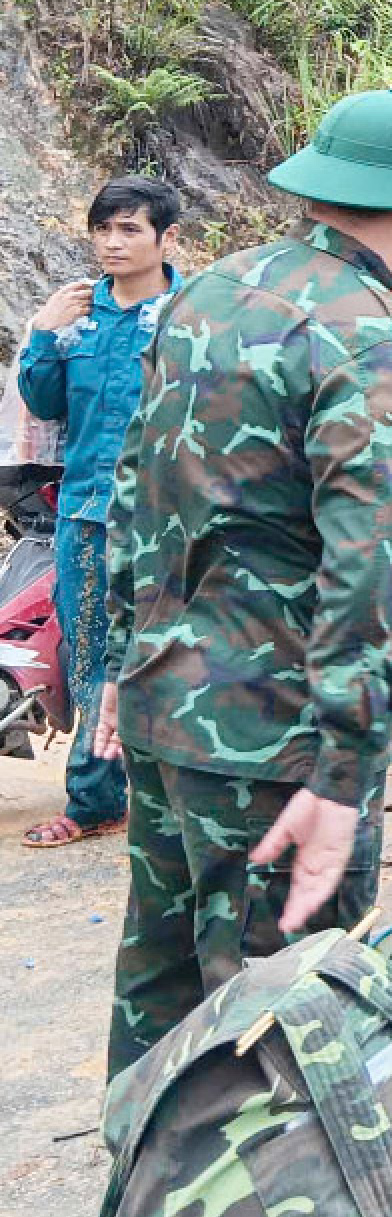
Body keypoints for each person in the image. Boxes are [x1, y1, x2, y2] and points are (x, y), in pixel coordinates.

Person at [103, 86, 392, 1078]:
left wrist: (119, 660)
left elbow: (137, 491)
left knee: (158, 998)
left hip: (165, 701)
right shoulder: (372, 331)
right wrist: (343, 776)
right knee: (279, 1035)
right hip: (276, 738)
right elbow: (370, 566)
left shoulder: (208, 294)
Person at [17, 176, 182, 849]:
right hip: (87, 511)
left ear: (166, 238)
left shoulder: (189, 314)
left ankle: (182, 797)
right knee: (89, 659)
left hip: (170, 515)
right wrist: (42, 337)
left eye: (129, 229)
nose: (112, 243)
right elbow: (45, 403)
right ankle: (94, 800)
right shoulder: (77, 314)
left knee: (170, 654)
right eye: (103, 229)